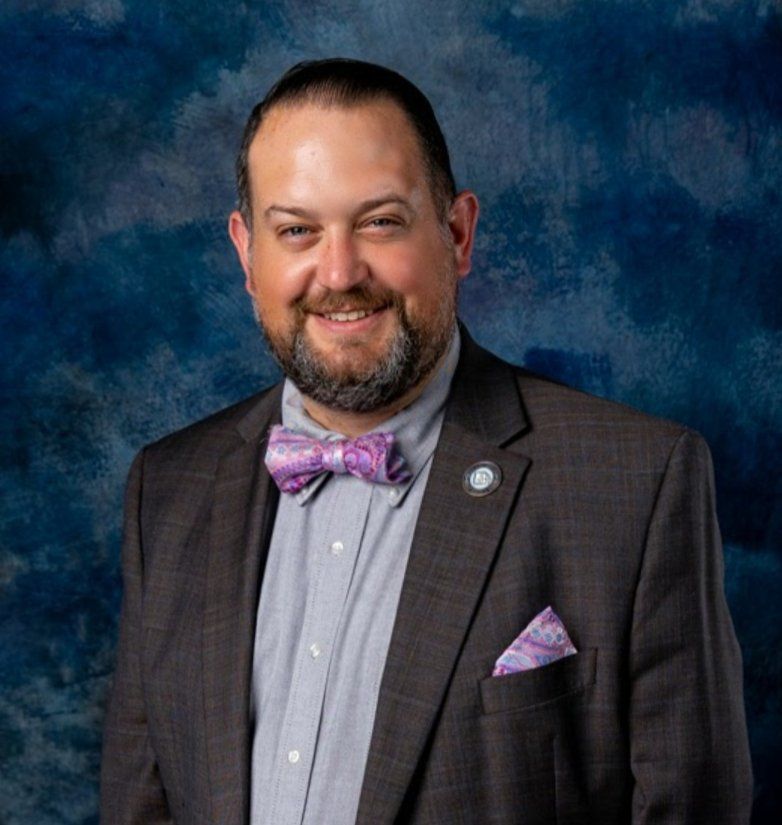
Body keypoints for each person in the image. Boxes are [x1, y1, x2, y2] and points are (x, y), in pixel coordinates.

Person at [100, 58, 753, 824]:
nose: (339, 272)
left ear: (457, 232)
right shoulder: (167, 489)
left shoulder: (637, 485)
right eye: (297, 230)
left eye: (379, 221)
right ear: (248, 254)